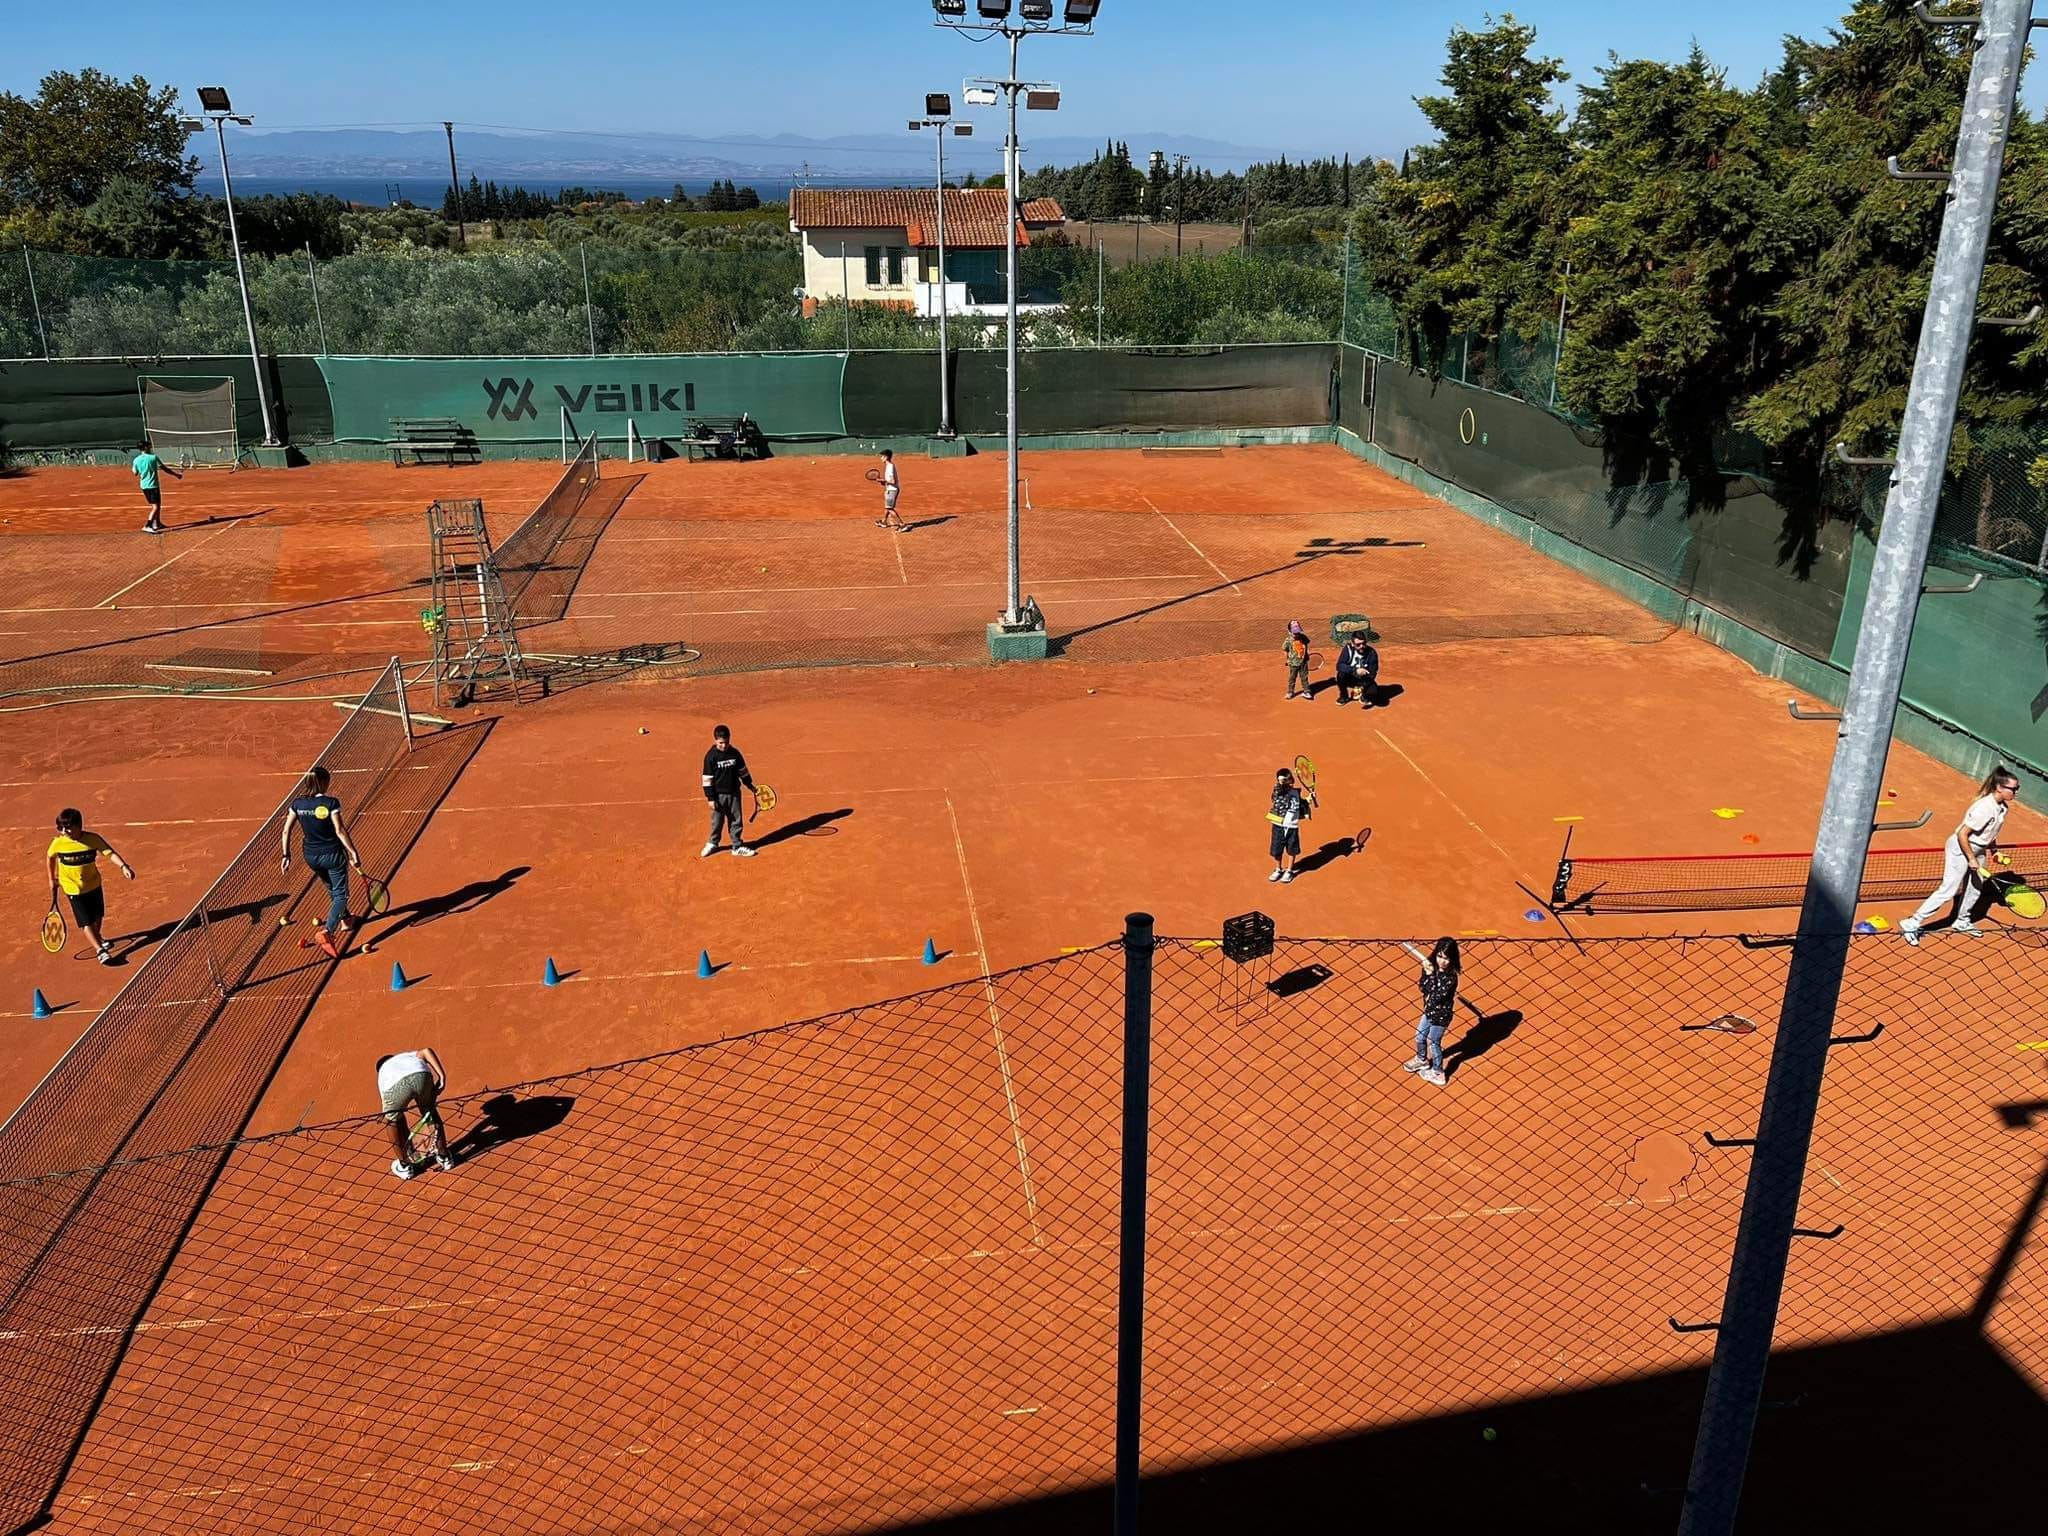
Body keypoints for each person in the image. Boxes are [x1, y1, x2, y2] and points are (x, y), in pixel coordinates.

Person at [1901, 766, 2021, 946]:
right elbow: (1962, 834)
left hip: (1978, 849)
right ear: (1999, 788)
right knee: (1949, 888)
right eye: (2013, 789)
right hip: (1961, 847)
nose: (2015, 792)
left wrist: (1994, 851)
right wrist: (1971, 859)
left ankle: (1961, 920)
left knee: (1976, 886)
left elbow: (1991, 832)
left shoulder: (2002, 807)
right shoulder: (1985, 808)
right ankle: (1912, 922)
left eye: (2016, 789)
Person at [281, 764, 364, 959]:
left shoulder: (297, 804)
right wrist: (353, 852)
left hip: (311, 856)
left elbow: (286, 831)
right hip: (332, 855)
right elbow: (340, 830)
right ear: (323, 782)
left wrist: (286, 855)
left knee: (331, 888)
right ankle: (328, 931)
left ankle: (345, 919)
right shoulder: (330, 803)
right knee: (341, 894)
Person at [46, 808, 137, 966]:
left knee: (98, 916)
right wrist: (51, 878)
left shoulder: (93, 839)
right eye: (60, 828)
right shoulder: (58, 843)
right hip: (72, 888)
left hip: (93, 884)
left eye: (67, 827)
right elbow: (50, 858)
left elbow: (110, 853)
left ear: (79, 825)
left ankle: (98, 937)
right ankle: (100, 950)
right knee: (85, 921)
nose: (64, 831)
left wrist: (123, 866)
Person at [378, 1046, 456, 1180]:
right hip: (421, 1076)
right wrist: (442, 1077)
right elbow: (426, 1051)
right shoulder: (406, 1056)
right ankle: (444, 1157)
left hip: (394, 1087)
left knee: (392, 1122)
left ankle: (404, 1166)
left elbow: (395, 1115)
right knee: (429, 1110)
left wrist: (389, 1117)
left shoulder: (382, 1072)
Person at [1404, 938, 1461, 1086]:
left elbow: (1437, 996)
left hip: (1441, 1016)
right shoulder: (1430, 967)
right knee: (1419, 1037)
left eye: (1446, 958)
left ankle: (1438, 1072)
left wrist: (1431, 975)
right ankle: (1422, 1059)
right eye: (1440, 956)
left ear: (1452, 959)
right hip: (1428, 1011)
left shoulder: (1451, 978)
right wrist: (1428, 973)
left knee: (1434, 1043)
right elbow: (1423, 987)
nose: (1442, 961)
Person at [701, 723, 759, 858]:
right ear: (715, 740)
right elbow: (707, 780)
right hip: (718, 795)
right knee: (717, 821)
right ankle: (713, 843)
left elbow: (743, 772)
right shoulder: (710, 757)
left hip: (734, 793)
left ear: (729, 739)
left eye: (726, 742)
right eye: (721, 743)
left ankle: (737, 846)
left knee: (736, 820)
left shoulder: (735, 754)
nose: (724, 745)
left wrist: (750, 785)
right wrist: (710, 798)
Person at [1266, 765, 1313, 884]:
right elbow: (1279, 788)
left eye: (1290, 779)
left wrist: (1309, 799)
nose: (1288, 782)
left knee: (1292, 850)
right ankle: (1278, 869)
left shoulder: (1296, 792)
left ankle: (1289, 870)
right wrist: (1281, 781)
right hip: (1279, 825)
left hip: (1292, 826)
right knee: (1277, 850)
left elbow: (1301, 804)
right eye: (1284, 780)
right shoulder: (1278, 791)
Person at [131, 440, 182, 534]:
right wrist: (176, 475)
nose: (150, 447)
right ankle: (148, 525)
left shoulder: (136, 460)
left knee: (158, 505)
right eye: (149, 446)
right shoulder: (153, 458)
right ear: (145, 447)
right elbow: (164, 469)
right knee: (155, 507)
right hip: (152, 486)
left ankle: (157, 524)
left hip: (144, 486)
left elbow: (135, 473)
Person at [1335, 631, 1380, 707]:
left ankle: (1364, 696)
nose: (1361, 646)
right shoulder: (1348, 649)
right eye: (1358, 644)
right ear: (1352, 644)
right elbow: (1339, 666)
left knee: (1374, 691)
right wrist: (1355, 670)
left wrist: (1362, 687)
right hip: (1350, 677)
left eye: (1364, 643)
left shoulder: (1372, 653)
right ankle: (1344, 696)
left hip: (1364, 679)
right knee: (1340, 675)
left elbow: (1373, 673)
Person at [877, 448, 906, 532]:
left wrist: (883, 480)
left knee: (890, 508)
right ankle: (884, 522)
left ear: (886, 457)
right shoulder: (889, 466)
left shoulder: (890, 466)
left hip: (892, 491)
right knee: (887, 507)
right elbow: (889, 481)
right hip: (891, 489)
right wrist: (883, 482)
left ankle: (902, 525)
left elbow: (893, 481)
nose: (881, 458)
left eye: (882, 456)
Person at [1283, 620, 1313, 701]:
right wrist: (1287, 660)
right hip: (1293, 663)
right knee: (1292, 678)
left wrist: (1306, 655)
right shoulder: (1288, 640)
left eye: (1297, 631)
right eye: (1294, 632)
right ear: (1289, 630)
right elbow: (1286, 650)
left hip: (1303, 662)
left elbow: (1306, 646)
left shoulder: (1303, 637)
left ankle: (1307, 691)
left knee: (1304, 677)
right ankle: (1290, 692)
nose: (1297, 634)